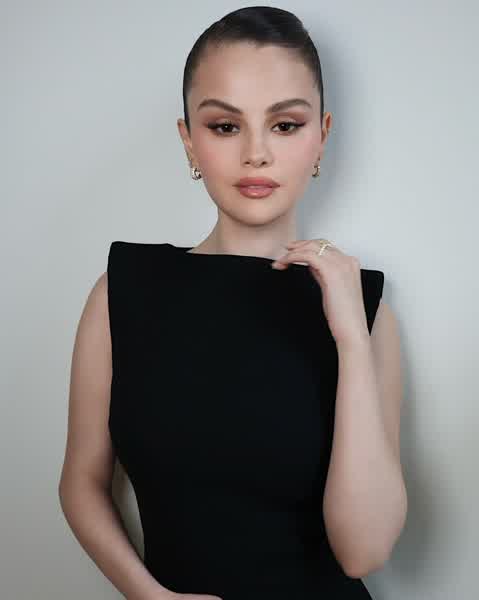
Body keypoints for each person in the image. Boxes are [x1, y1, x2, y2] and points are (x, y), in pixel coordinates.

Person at [58, 6, 407, 600]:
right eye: (225, 126)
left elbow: (363, 552)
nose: (256, 154)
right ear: (188, 140)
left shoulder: (364, 307)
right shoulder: (123, 290)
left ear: (321, 136)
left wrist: (350, 336)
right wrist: (148, 595)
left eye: (285, 125)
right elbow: (82, 483)